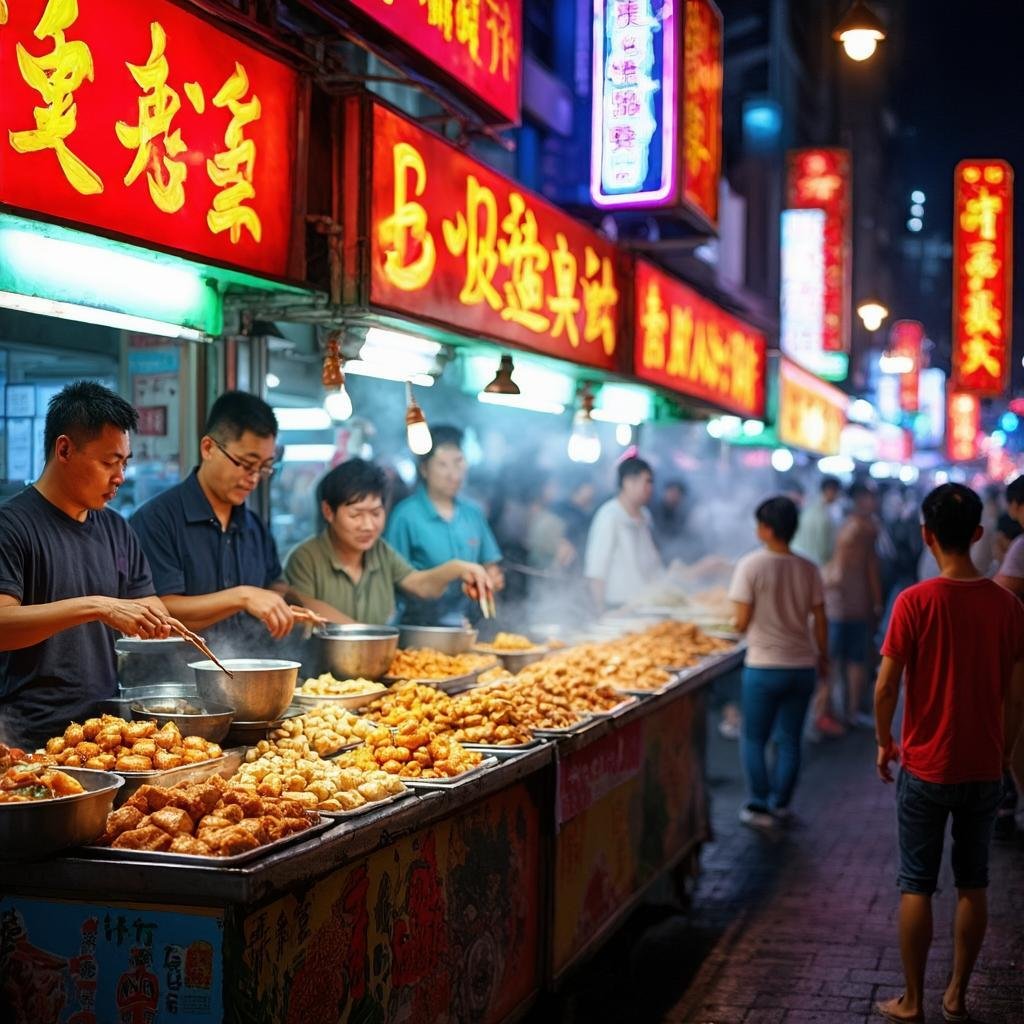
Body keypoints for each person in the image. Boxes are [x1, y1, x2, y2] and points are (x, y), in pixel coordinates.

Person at [874, 483, 1024, 1024]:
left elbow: (885, 687)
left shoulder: (914, 601)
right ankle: (957, 995)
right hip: (983, 766)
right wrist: (1004, 754)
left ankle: (913, 1000)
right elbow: (1017, 696)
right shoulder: (1008, 606)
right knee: (973, 882)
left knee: (916, 883)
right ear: (979, 534)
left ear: (926, 536)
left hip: (924, 766)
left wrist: (884, 742)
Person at [0, 382, 185, 747]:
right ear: (64, 449)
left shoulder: (116, 528)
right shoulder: (12, 525)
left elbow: (147, 603)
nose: (120, 477)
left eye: (124, 463)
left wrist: (156, 620)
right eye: (108, 462)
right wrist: (98, 606)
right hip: (27, 738)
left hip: (105, 733)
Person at [131, 392, 300, 652]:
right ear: (208, 448)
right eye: (246, 464)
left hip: (247, 668)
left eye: (264, 468)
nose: (254, 478)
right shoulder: (156, 520)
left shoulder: (254, 526)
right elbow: (159, 610)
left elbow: (273, 584)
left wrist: (280, 603)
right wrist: (241, 597)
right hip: (177, 673)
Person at [284, 459, 493, 625]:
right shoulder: (305, 559)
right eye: (356, 515)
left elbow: (420, 585)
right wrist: (367, 636)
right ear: (328, 512)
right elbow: (304, 608)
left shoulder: (380, 551)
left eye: (376, 513)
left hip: (376, 662)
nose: (368, 525)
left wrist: (458, 568)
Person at [727, 496, 828, 829]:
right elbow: (820, 619)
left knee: (754, 737)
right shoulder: (808, 567)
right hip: (802, 667)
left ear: (767, 529)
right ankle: (781, 803)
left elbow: (740, 623)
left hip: (764, 667)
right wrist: (823, 659)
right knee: (790, 739)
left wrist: (730, 624)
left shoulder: (750, 565)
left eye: (759, 524)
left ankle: (759, 805)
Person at [385, 425, 504, 625]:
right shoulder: (405, 516)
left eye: (458, 462)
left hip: (466, 624)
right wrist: (450, 573)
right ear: (424, 468)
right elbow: (393, 578)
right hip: (417, 626)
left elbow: (490, 566)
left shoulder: (473, 514)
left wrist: (491, 579)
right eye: (443, 465)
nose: (454, 475)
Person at [823, 481, 882, 727]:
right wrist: (877, 601)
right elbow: (870, 568)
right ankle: (849, 711)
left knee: (833, 659)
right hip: (853, 603)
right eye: (870, 497)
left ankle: (828, 712)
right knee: (855, 660)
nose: (874, 502)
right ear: (861, 499)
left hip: (836, 601)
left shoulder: (847, 525)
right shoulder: (865, 528)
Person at [791, 475, 844, 737]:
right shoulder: (823, 518)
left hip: (801, 586)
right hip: (816, 585)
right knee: (818, 656)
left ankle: (813, 717)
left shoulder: (809, 512)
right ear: (831, 491)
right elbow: (826, 556)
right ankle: (815, 719)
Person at [584, 456, 662, 613]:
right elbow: (596, 569)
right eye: (647, 482)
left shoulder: (645, 515)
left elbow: (653, 564)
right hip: (618, 607)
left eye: (651, 483)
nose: (650, 488)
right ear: (628, 482)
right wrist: (600, 610)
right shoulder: (609, 515)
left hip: (645, 605)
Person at [652, 479, 696, 563]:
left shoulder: (681, 514)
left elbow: (684, 536)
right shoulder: (654, 511)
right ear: (665, 492)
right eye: (671, 492)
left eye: (677, 494)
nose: (673, 496)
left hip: (675, 553)